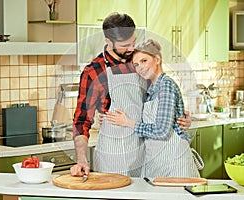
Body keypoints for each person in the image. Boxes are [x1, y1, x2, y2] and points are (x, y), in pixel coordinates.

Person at [71, 12, 192, 177]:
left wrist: (181, 117)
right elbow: (81, 121)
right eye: (124, 45)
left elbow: (160, 95)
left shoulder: (139, 60)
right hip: (113, 156)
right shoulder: (94, 71)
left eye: (133, 42)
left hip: (145, 152)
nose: (131, 48)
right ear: (108, 41)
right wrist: (82, 160)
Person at [105, 39, 201, 178]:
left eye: (144, 61)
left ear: (157, 59)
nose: (140, 68)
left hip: (174, 162)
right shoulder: (152, 88)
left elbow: (162, 131)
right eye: (136, 64)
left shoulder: (166, 86)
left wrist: (127, 122)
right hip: (159, 161)